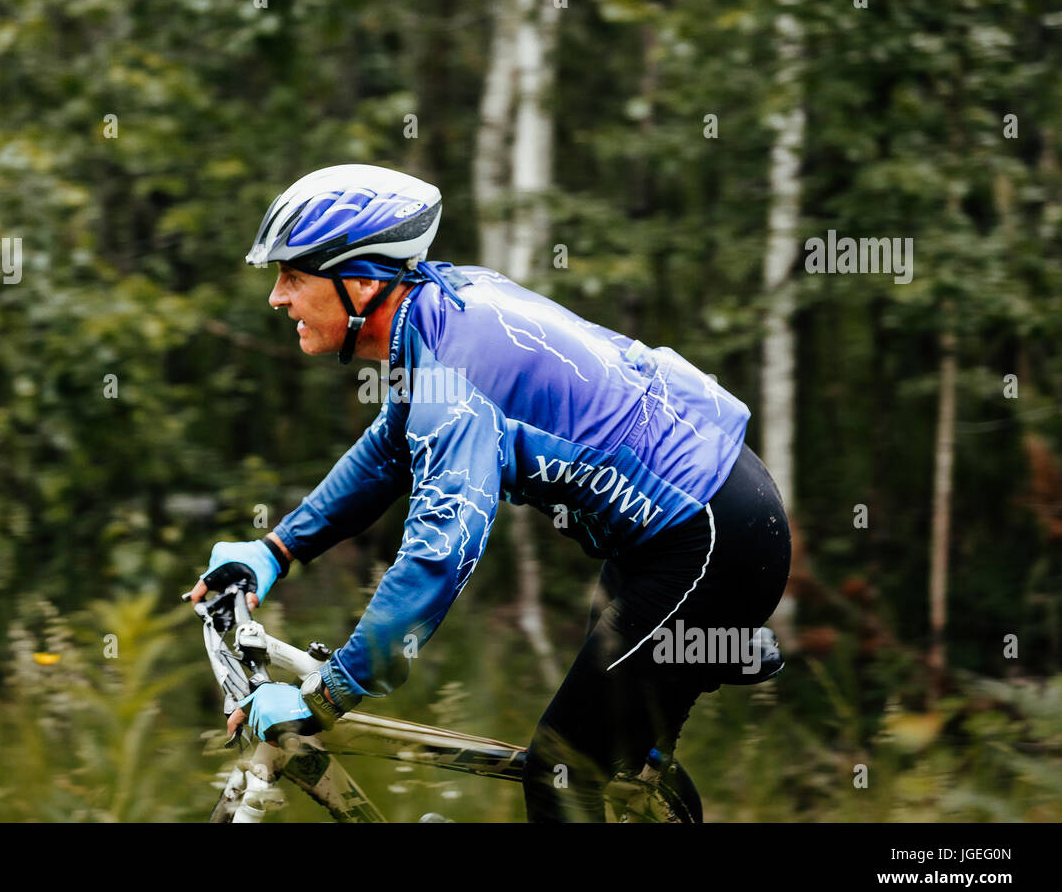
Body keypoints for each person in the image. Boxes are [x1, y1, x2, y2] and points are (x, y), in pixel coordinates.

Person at [186, 163, 791, 822]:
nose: (277, 297)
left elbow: (439, 556)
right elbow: (390, 450)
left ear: (361, 282)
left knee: (564, 771)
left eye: (294, 277)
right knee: (617, 763)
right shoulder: (437, 309)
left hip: (709, 541)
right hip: (687, 521)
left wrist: (325, 699)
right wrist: (276, 549)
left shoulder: (453, 373)